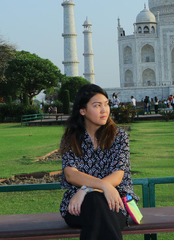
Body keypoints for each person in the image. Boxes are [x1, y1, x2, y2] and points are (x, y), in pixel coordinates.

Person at [59, 84, 139, 240]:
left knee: (97, 210)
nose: (104, 110)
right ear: (82, 111)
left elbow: (117, 175)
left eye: (106, 104)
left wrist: (86, 189)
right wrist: (100, 187)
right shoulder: (71, 138)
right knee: (95, 203)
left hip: (116, 202)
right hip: (77, 205)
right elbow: (70, 174)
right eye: (97, 105)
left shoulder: (118, 136)